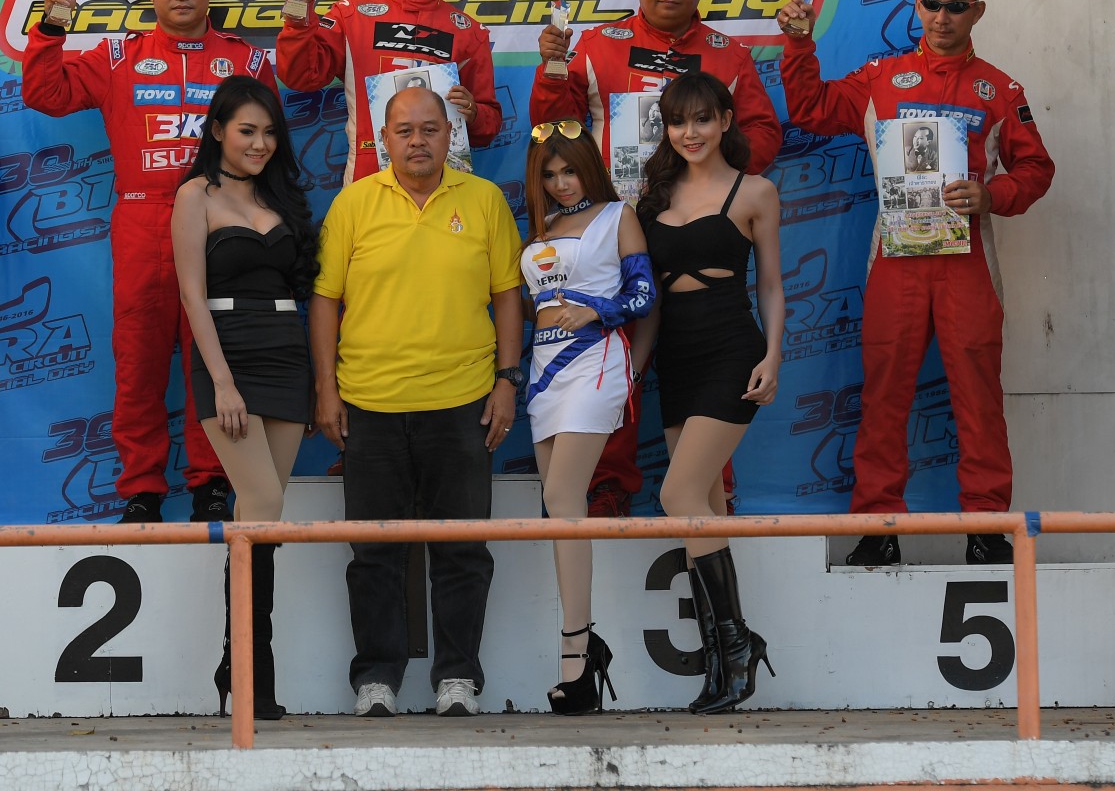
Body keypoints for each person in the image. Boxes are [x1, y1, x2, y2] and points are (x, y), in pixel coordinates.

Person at [777, 0, 1055, 566]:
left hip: (967, 261)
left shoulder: (1000, 90)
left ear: (978, 12)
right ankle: (878, 529)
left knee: (978, 399)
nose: (941, 17)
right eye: (931, 4)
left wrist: (992, 194)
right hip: (896, 259)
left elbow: (1037, 169)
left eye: (956, 7)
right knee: (883, 398)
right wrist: (798, 44)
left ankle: (987, 528)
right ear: (916, 6)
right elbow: (812, 109)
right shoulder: (882, 78)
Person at [531, 0, 783, 517]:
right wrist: (551, 71)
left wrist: (707, 180)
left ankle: (713, 484)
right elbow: (556, 131)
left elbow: (765, 132)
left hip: (682, 227)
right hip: (608, 231)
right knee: (610, 356)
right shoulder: (598, 45)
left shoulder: (727, 53)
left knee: (701, 347)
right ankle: (607, 483)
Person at [24, 0, 273, 525]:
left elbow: (271, 147)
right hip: (143, 221)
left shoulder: (245, 61)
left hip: (222, 222)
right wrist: (52, 26)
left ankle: (213, 483)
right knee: (138, 362)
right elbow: (44, 92)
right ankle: (141, 489)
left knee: (214, 358)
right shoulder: (119, 56)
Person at [310, 85, 523, 719]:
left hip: (463, 402)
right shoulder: (353, 203)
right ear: (383, 139)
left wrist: (507, 380)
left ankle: (457, 679)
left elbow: (508, 294)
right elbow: (325, 300)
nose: (418, 141)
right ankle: (376, 680)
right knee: (374, 552)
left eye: (430, 129)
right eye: (404, 131)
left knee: (462, 550)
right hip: (369, 403)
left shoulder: (484, 200)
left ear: (450, 134)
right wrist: (326, 390)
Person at [633, 71, 783, 713]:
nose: (689, 132)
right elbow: (649, 304)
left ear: (725, 120)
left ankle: (737, 645)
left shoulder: (756, 192)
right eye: (676, 121)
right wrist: (633, 370)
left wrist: (774, 354)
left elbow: (771, 284)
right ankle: (724, 664)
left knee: (679, 495)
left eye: (701, 119)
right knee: (705, 507)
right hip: (676, 356)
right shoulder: (652, 199)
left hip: (731, 350)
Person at [172, 75, 318, 721]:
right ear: (217, 131)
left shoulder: (280, 196)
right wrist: (223, 379)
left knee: (264, 518)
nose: (260, 143)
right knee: (261, 507)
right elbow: (191, 294)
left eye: (269, 132)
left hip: (286, 355)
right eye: (246, 131)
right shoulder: (194, 196)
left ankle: (240, 664)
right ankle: (252, 668)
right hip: (228, 358)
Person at [519, 120, 657, 713]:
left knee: (563, 496)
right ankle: (577, 658)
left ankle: (577, 651)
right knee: (559, 510)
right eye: (550, 174)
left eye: (570, 170)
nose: (561, 183)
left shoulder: (618, 216)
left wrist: (596, 310)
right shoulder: (542, 228)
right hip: (544, 369)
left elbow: (644, 295)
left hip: (596, 361)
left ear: (589, 168)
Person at [278, 0, 503, 186]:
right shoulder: (351, 17)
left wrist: (473, 112)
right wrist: (299, 14)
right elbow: (300, 77)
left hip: (443, 190)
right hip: (367, 185)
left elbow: (489, 127)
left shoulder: (469, 32)